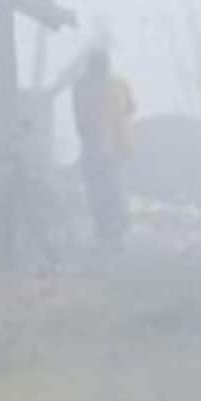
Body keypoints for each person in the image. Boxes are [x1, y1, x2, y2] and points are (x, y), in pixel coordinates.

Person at [71, 46, 135, 251]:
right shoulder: (119, 84)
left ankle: (107, 230)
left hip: (98, 148)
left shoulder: (82, 86)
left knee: (101, 192)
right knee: (112, 191)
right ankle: (113, 230)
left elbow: (80, 119)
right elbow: (131, 108)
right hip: (113, 148)